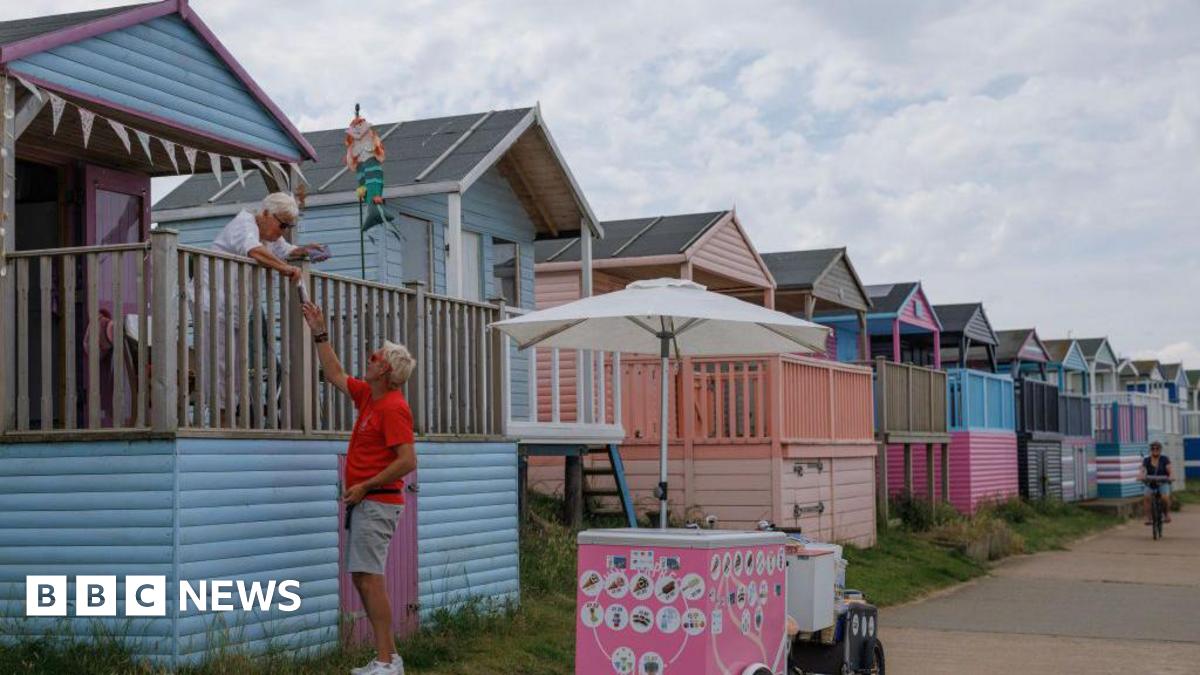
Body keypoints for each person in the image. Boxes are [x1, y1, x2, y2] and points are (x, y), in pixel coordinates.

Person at [301, 301, 416, 675]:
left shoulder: (393, 408)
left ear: (386, 370)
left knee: (370, 579)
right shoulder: (370, 396)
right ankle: (390, 658)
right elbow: (334, 372)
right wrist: (319, 332)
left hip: (378, 502)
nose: (369, 360)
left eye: (375, 357)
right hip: (367, 502)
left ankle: (386, 662)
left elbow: (406, 461)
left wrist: (365, 485)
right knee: (363, 577)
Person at [198, 192, 321, 421]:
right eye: (282, 224)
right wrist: (284, 269)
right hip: (214, 304)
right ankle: (220, 421)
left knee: (235, 368)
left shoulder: (268, 235)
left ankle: (229, 420)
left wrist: (305, 250)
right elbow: (254, 250)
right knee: (221, 366)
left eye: (287, 226)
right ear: (265, 213)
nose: (282, 231)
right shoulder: (245, 225)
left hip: (235, 309)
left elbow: (285, 250)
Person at [1139, 440, 1173, 525]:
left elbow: (1169, 470)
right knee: (1146, 497)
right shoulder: (1146, 460)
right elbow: (1142, 470)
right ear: (1150, 450)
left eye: (1157, 448)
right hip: (1150, 482)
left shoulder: (1164, 459)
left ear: (1160, 450)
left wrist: (1171, 476)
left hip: (1162, 482)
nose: (1155, 450)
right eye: (1153, 448)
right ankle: (1148, 517)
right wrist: (1140, 476)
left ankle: (1166, 514)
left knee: (1164, 498)